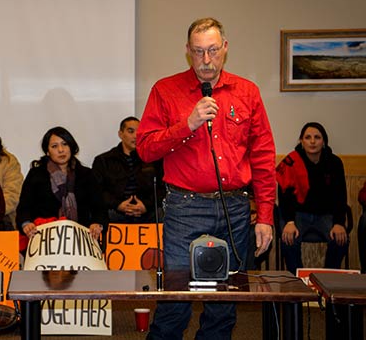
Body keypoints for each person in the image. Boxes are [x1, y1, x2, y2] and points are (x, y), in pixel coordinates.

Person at [136, 17, 276, 340]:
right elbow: (144, 149)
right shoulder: (165, 90)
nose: (206, 60)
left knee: (224, 304)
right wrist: (188, 124)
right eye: (198, 52)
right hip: (184, 208)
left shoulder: (247, 92)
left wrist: (265, 215)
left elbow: (264, 156)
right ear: (187, 51)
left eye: (213, 50)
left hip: (236, 210)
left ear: (225, 48)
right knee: (175, 301)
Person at [276, 122, 349, 274]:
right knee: (288, 240)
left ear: (324, 142)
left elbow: (340, 195)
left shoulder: (334, 163)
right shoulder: (291, 162)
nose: (313, 141)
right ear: (301, 141)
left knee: (341, 240)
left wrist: (338, 223)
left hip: (325, 216)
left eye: (317, 137)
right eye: (308, 137)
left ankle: (328, 280)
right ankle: (298, 282)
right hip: (297, 216)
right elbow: (284, 196)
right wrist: (289, 221)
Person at [16, 126, 108, 244]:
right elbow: (24, 208)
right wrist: (26, 224)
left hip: (81, 240)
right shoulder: (36, 174)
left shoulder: (86, 174)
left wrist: (97, 224)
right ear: (47, 151)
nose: (61, 150)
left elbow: (99, 208)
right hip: (45, 240)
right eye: (54, 146)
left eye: (65, 144)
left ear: (71, 147)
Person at [92, 116, 164, 224]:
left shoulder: (152, 159)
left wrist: (146, 205)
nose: (136, 136)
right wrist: (118, 205)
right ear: (120, 134)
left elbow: (162, 188)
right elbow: (97, 190)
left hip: (148, 211)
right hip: (115, 211)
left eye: (139, 132)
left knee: (160, 214)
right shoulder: (104, 160)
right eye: (131, 131)